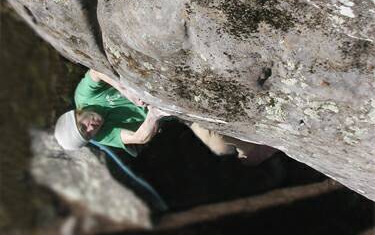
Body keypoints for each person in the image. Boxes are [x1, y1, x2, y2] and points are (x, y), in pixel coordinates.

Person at [54, 69, 277, 164]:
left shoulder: (83, 96)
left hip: (148, 88)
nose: (92, 128)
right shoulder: (101, 135)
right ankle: (254, 156)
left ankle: (259, 150)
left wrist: (125, 90)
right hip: (170, 112)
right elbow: (139, 138)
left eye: (84, 126)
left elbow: (97, 71)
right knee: (221, 148)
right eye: (88, 134)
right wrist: (154, 114)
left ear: (77, 113)